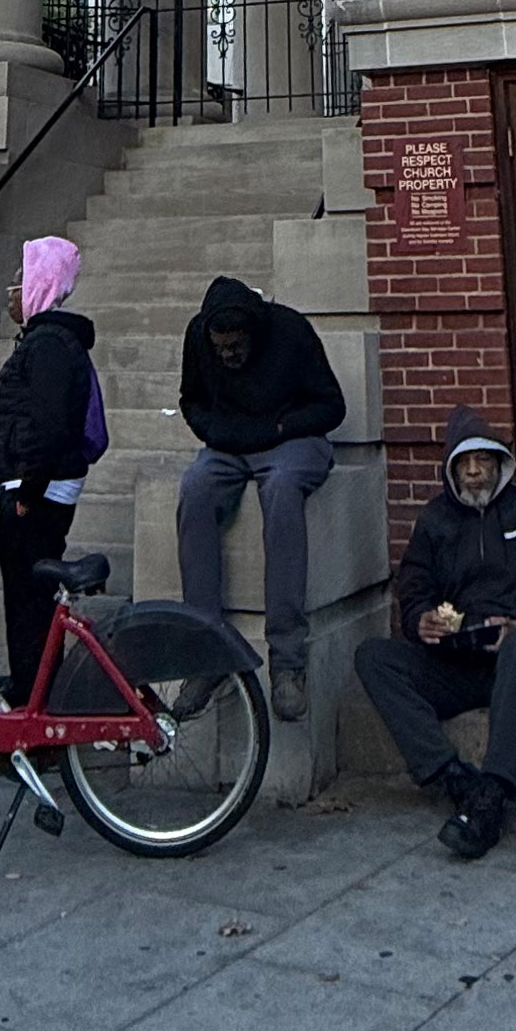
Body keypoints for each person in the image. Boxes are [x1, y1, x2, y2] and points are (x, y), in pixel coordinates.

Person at [355, 406, 516, 858]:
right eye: (464, 463)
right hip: (457, 662)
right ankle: (453, 779)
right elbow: (414, 590)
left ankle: (493, 792)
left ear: (499, 463)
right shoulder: (435, 520)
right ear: (452, 468)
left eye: (483, 461)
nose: (475, 472)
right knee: (373, 656)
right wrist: (421, 621)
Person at [175, 273, 344, 724]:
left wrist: (280, 430)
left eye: (236, 345)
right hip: (228, 444)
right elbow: (191, 400)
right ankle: (205, 653)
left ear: (253, 331)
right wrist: (216, 433)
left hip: (290, 437)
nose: (227, 354)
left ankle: (288, 663)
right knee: (194, 491)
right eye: (220, 347)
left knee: (283, 491)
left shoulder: (290, 332)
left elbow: (332, 406)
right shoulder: (198, 337)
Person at [0, 237, 103, 708]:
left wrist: (25, 492)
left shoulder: (48, 344)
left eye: (19, 280)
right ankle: (31, 687)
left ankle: (35, 700)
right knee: (30, 599)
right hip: (36, 485)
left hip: (38, 491)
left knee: (29, 603)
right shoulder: (46, 340)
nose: (11, 291)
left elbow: (49, 430)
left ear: (41, 283)